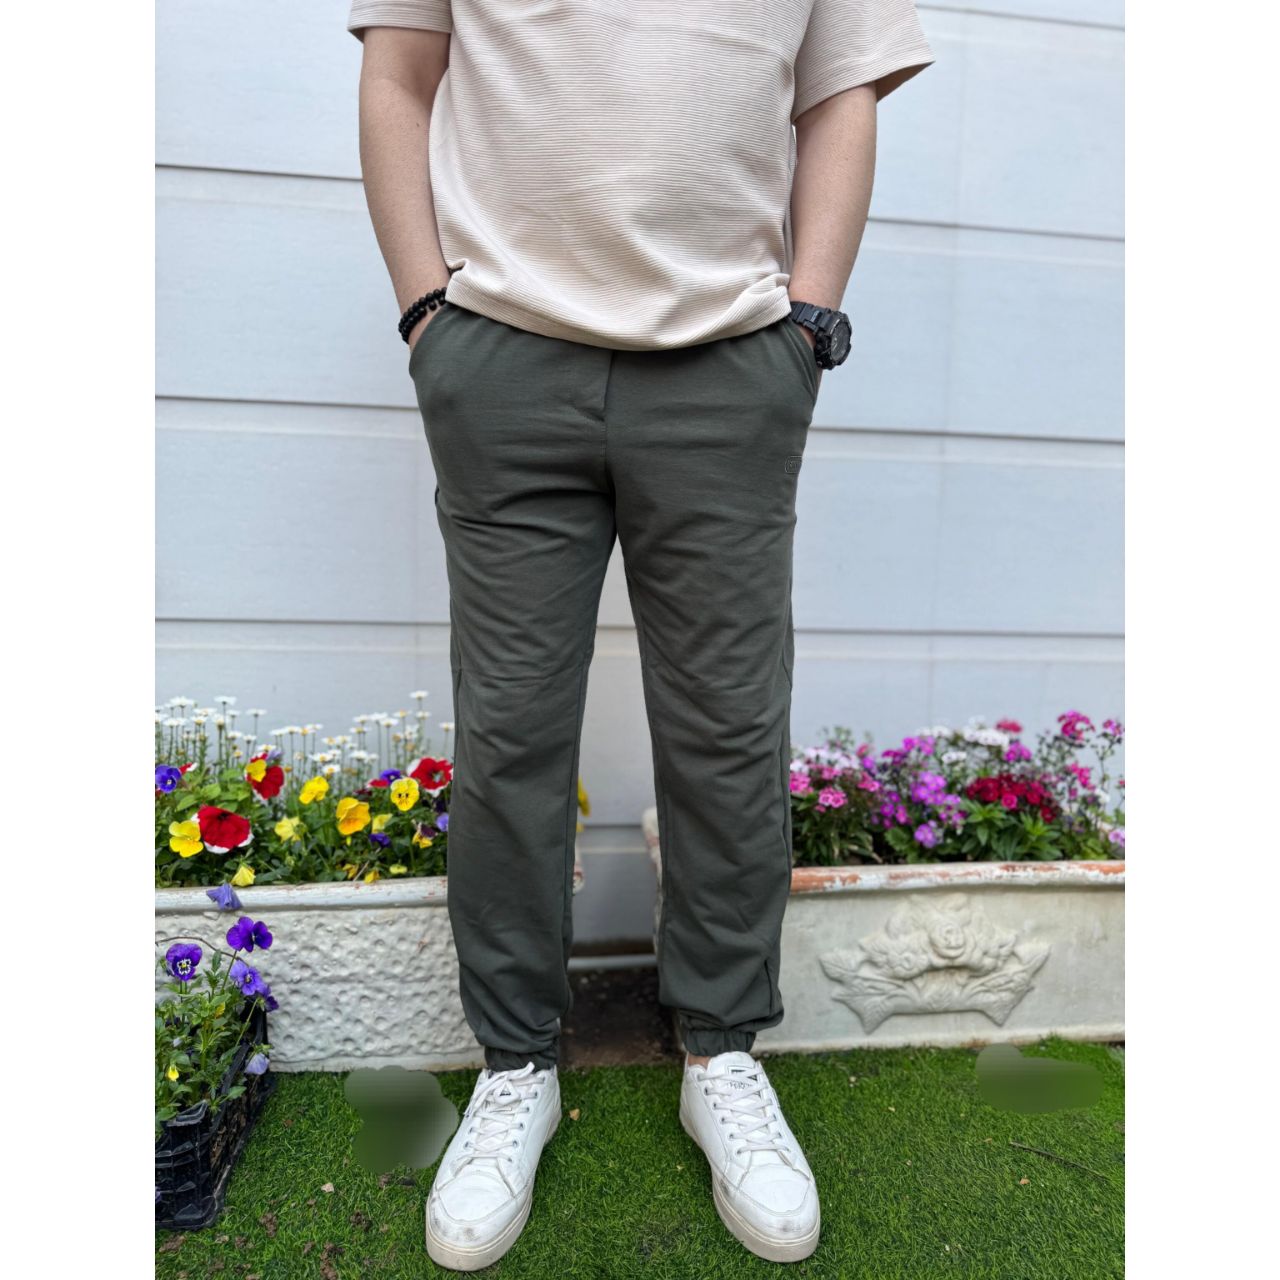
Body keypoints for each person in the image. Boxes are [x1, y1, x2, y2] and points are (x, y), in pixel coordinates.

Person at [346, 1, 933, 1268]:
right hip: (501, 357)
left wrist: (809, 322)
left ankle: (719, 1051)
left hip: (729, 362)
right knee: (509, 734)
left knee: (727, 728)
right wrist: (424, 313)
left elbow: (840, 92)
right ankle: (516, 1063)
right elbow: (399, 71)